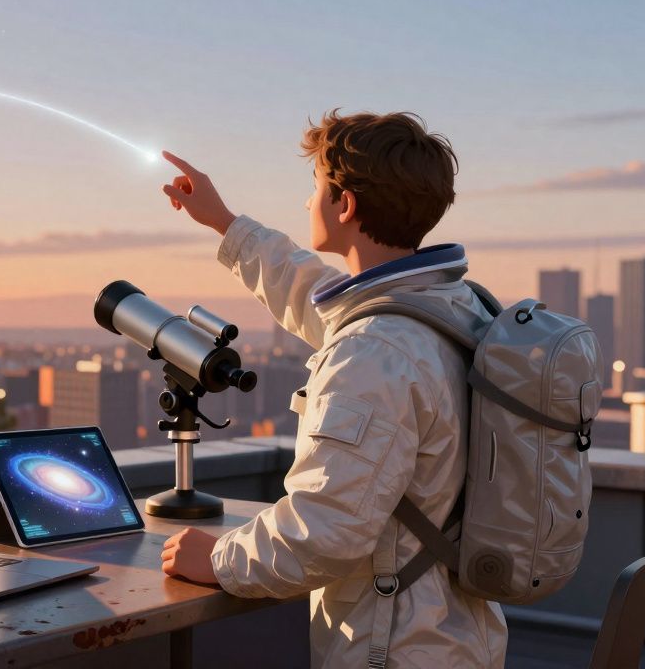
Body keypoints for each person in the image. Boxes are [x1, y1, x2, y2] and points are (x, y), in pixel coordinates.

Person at [156, 110, 507, 667]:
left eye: (315, 188)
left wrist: (218, 557)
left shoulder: (375, 352)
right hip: (456, 636)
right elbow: (320, 296)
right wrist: (225, 222)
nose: (306, 204)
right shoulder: (450, 311)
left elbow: (323, 534)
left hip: (394, 647)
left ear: (345, 205)